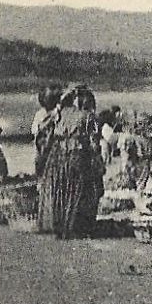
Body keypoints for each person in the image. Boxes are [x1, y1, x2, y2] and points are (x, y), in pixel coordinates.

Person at [37, 88, 105, 239]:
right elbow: (94, 143)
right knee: (80, 191)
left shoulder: (59, 114)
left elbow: (42, 129)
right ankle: (76, 227)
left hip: (58, 156)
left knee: (61, 190)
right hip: (78, 155)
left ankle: (60, 226)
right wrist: (98, 162)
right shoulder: (88, 117)